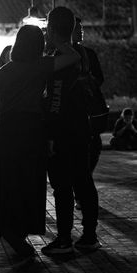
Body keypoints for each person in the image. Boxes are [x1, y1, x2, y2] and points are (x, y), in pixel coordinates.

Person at [0, 25, 81, 257]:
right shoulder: (40, 66)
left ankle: (9, 227)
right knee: (29, 181)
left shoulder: (3, 72)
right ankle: (20, 229)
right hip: (31, 128)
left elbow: (0, 104)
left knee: (7, 179)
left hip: (7, 129)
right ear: (38, 45)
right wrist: (56, 39)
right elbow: (73, 57)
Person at [42, 6, 101, 255]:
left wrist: (51, 135)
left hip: (63, 130)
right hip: (82, 126)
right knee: (84, 181)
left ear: (52, 29)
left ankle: (64, 238)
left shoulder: (61, 58)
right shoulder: (85, 54)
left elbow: (55, 98)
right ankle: (89, 235)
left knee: (63, 186)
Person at [72, 17, 105, 210]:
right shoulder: (59, 55)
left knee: (93, 149)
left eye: (82, 28)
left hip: (89, 111)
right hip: (80, 114)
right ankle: (81, 190)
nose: (82, 31)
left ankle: (81, 189)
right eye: (78, 28)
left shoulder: (89, 54)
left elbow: (100, 78)